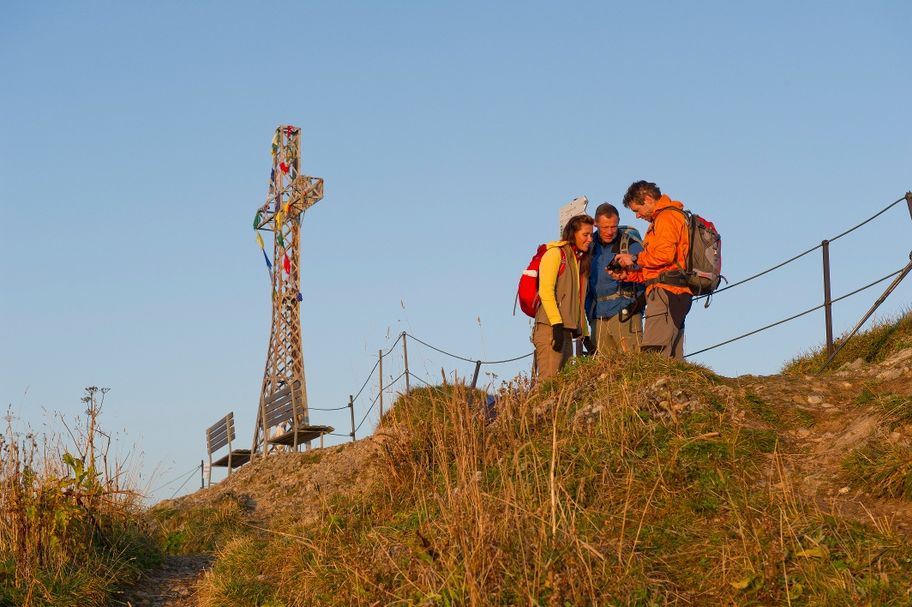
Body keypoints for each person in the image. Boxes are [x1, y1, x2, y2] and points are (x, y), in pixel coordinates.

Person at [608, 180, 692, 358]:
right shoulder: (668, 217)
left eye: (636, 210)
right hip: (672, 290)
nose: (637, 216)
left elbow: (664, 256)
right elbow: (659, 268)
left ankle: (658, 386)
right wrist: (628, 275)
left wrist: (633, 258)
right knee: (672, 355)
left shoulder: (666, 218)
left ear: (647, 199)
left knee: (653, 354)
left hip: (666, 293)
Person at [533, 214, 593, 379]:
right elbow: (545, 291)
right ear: (573, 234)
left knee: (563, 384)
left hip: (566, 330)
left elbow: (578, 300)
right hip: (550, 328)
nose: (589, 239)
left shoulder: (579, 261)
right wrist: (556, 324)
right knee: (549, 382)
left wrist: (585, 334)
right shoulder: (554, 254)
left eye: (591, 235)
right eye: (585, 235)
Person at [585, 203, 645, 355]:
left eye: (614, 226)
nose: (610, 231)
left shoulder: (630, 245)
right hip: (597, 318)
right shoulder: (589, 247)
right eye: (605, 227)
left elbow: (647, 273)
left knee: (633, 367)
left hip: (626, 314)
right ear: (595, 223)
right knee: (604, 373)